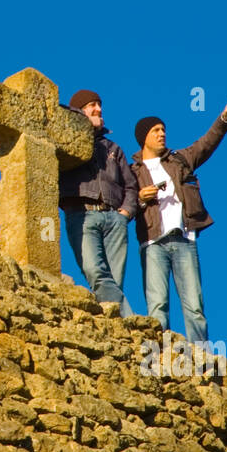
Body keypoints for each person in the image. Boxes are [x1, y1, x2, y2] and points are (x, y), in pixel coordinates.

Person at [128, 96, 227, 345]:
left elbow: (206, 144)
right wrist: (139, 198)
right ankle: (161, 354)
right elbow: (123, 202)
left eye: (164, 130)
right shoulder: (131, 172)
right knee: (157, 306)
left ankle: (200, 357)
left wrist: (225, 119)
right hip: (152, 243)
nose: (162, 134)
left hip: (184, 240)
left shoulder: (180, 159)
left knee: (194, 307)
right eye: (156, 130)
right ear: (144, 137)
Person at [59, 89, 140, 318]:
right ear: (80, 111)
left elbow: (130, 185)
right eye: (92, 105)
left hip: (115, 218)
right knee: (96, 272)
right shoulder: (67, 138)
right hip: (82, 214)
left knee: (113, 282)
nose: (99, 109)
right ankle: (131, 322)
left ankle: (113, 331)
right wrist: (84, 123)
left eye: (100, 105)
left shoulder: (113, 148)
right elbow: (59, 110)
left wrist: (126, 212)